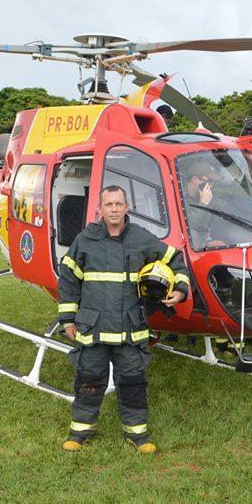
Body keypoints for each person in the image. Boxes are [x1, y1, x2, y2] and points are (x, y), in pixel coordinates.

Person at [58, 185, 189, 454]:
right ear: (100, 209)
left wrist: (180, 289)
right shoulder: (84, 240)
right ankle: (81, 430)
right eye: (109, 205)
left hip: (130, 329)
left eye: (119, 204)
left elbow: (176, 259)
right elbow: (69, 280)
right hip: (92, 327)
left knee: (132, 380)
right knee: (89, 378)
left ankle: (137, 434)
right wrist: (68, 319)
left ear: (126, 207)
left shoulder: (141, 238)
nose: (114, 209)